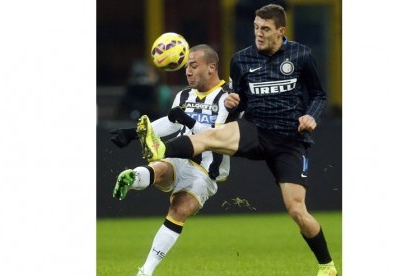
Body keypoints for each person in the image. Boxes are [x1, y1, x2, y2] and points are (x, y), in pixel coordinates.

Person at [134, 4, 338, 276]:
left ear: (281, 30)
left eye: (265, 29)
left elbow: (319, 95)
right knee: (209, 137)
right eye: (256, 27)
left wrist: (311, 116)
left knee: (297, 210)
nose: (259, 34)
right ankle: (161, 150)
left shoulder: (301, 55)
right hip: (255, 129)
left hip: (290, 141)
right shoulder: (242, 59)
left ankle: (327, 265)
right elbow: (238, 97)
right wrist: (233, 101)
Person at [110, 44, 236, 276]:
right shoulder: (184, 95)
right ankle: (135, 176)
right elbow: (170, 122)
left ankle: (138, 176)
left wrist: (187, 120)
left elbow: (217, 137)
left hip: (206, 169)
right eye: (186, 65)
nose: (187, 70)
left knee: (180, 207)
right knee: (161, 167)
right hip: (180, 156)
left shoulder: (228, 98)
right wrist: (130, 133)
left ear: (211, 67)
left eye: (193, 65)